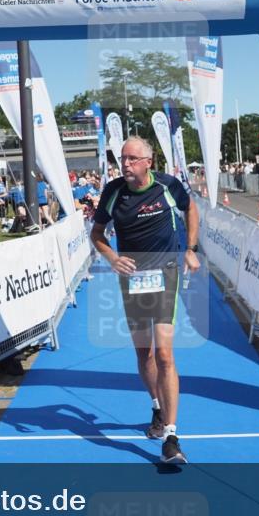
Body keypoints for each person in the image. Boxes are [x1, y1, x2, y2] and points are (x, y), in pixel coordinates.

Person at [89, 136, 200, 464]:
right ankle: (156, 407)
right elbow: (97, 234)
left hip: (165, 272)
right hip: (132, 278)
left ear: (148, 162)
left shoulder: (168, 186)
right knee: (145, 352)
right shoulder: (113, 192)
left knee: (165, 354)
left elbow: (190, 209)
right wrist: (111, 258)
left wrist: (190, 249)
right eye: (122, 158)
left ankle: (171, 435)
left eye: (132, 158)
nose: (125, 164)